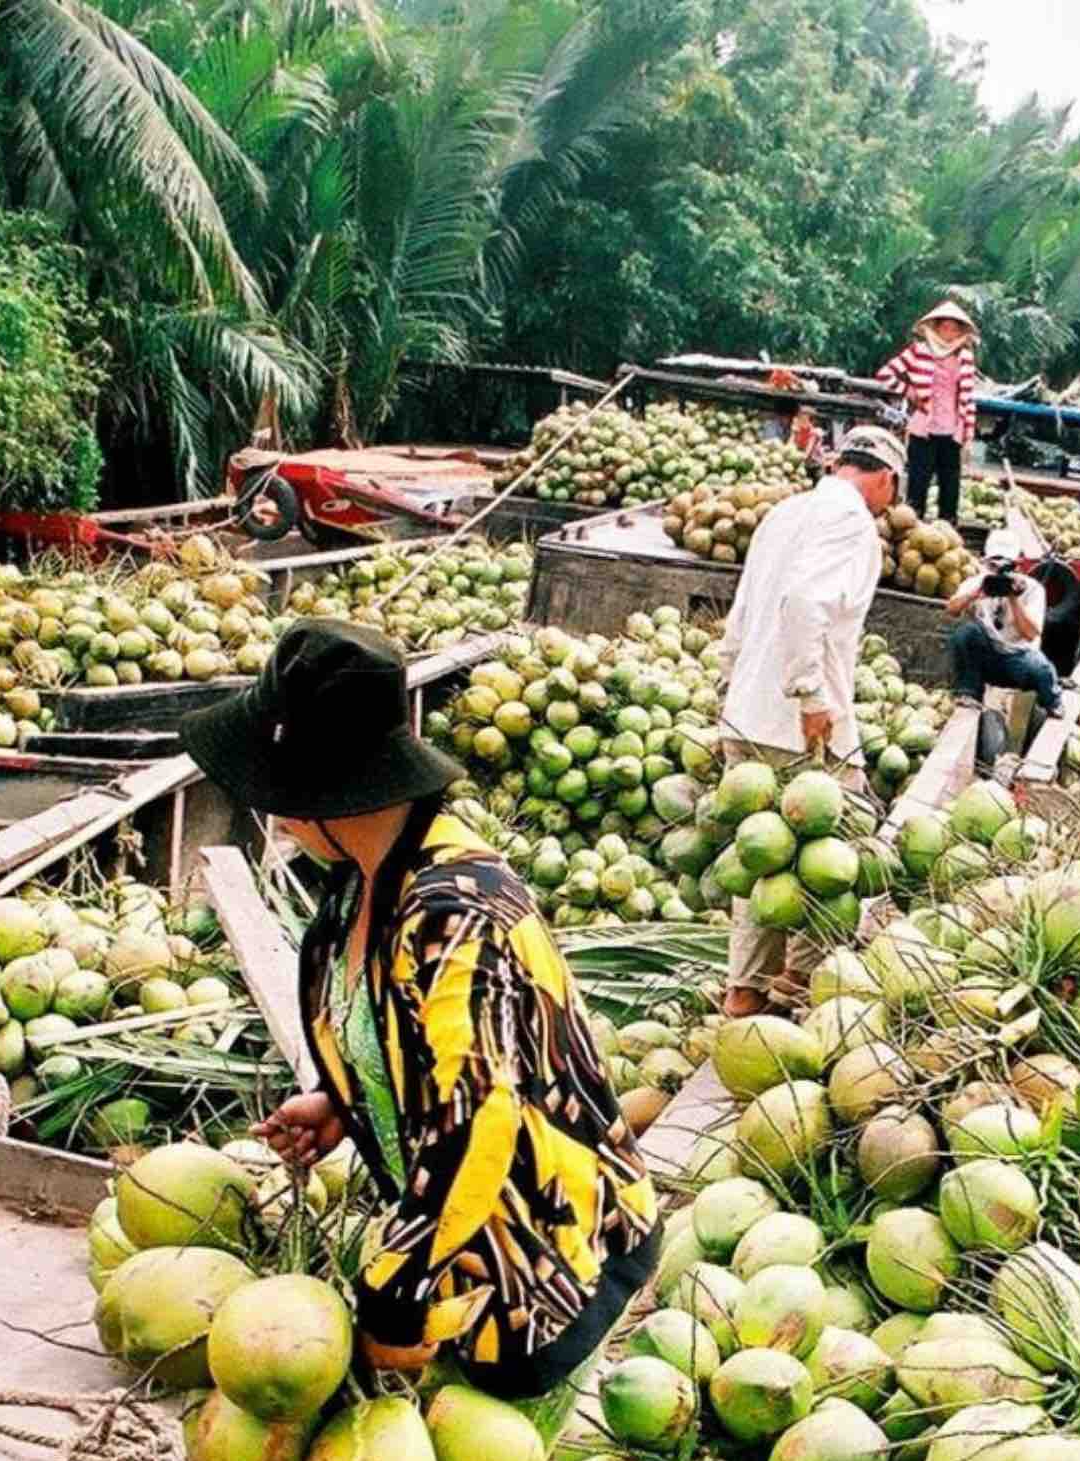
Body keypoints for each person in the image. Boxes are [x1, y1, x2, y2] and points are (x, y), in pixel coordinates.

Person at [178, 620, 659, 1400]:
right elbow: (423, 1049)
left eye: (275, 794)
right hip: (456, 1244)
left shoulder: (453, 913)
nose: (273, 814)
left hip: (542, 1258)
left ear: (319, 790)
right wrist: (348, 1100)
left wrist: (391, 1294)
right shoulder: (361, 880)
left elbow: (478, 1124)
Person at [711, 426, 905, 1018]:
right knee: (830, 862)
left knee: (763, 862)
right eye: (893, 492)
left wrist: (729, 684)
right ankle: (798, 986)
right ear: (885, 477)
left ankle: (745, 992)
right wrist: (810, 693)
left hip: (748, 714)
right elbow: (803, 602)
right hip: (801, 724)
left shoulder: (786, 513)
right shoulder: (852, 523)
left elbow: (742, 612)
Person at [943, 527, 1063, 774]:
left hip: (1017, 659)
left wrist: (1013, 598)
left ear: (1018, 564)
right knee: (965, 634)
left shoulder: (1032, 590)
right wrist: (978, 593)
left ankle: (1052, 702)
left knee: (1042, 669)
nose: (1000, 573)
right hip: (988, 657)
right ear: (986, 563)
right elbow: (951, 610)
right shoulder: (978, 583)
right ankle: (969, 694)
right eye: (995, 566)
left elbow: (1031, 633)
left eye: (1007, 567)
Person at [875, 300, 979, 522]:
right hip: (924, 430)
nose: (949, 334)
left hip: (952, 431)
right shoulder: (919, 351)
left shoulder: (965, 357)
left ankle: (948, 529)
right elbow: (885, 375)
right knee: (918, 483)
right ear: (935, 328)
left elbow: (968, 398)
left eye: (954, 329)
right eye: (945, 327)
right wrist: (909, 391)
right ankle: (911, 526)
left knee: (950, 485)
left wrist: (968, 434)